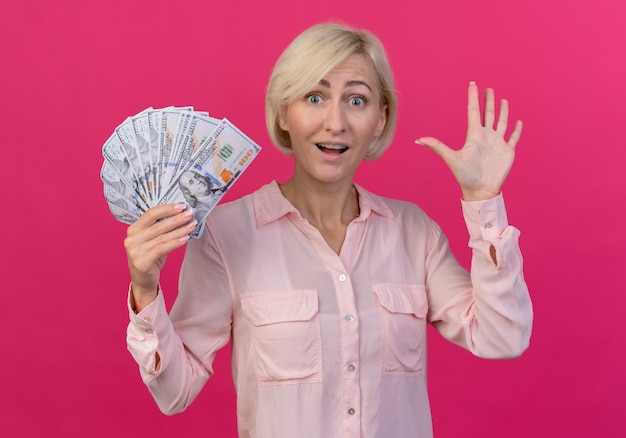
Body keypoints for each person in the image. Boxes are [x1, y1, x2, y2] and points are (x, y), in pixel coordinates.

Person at [124, 22, 533, 438]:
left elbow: (503, 337)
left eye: (356, 100)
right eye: (314, 97)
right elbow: (173, 392)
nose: (335, 122)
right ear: (284, 112)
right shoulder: (227, 235)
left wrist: (484, 200)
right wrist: (145, 288)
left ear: (380, 118)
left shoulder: (414, 232)